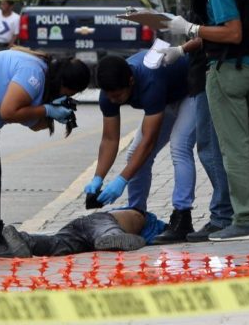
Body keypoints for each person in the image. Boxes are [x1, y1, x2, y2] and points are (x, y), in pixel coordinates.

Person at [0, 48, 91, 257]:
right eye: (69, 93)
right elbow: (9, 112)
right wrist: (47, 110)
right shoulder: (34, 74)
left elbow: (34, 124)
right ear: (63, 83)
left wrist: (51, 111)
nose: (66, 97)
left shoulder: (44, 74)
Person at [164, 0, 249, 241]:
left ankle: (243, 218)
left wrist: (191, 29)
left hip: (228, 69)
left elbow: (232, 32)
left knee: (233, 147)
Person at [83, 53, 196, 244]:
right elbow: (110, 139)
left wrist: (121, 180)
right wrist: (98, 177)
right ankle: (137, 214)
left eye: (118, 95)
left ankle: (183, 217)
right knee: (132, 154)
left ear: (131, 81)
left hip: (191, 90)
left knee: (179, 146)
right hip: (165, 98)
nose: (113, 100)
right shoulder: (109, 94)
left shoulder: (150, 81)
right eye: (109, 96)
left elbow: (148, 143)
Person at [2, 208, 166, 257]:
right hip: (100, 221)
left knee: (56, 245)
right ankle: (112, 237)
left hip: (81, 234)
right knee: (107, 231)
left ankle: (24, 239)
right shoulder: (150, 220)